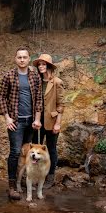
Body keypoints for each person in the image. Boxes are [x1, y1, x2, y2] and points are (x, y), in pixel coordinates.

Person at [0, 47, 41, 200]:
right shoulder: (9, 76)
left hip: (30, 122)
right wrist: (7, 118)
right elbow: (2, 97)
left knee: (28, 153)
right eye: (19, 57)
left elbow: (38, 99)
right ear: (15, 59)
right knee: (15, 152)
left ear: (29, 59)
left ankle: (22, 181)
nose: (22, 60)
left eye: (25, 57)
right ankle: (11, 186)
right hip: (15, 122)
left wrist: (37, 119)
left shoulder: (34, 76)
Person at [32, 53, 64, 188]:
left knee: (51, 149)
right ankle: (37, 176)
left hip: (51, 121)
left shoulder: (57, 82)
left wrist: (58, 123)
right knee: (36, 150)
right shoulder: (36, 81)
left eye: (43, 64)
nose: (41, 66)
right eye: (39, 64)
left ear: (49, 66)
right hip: (37, 121)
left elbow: (61, 105)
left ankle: (50, 177)